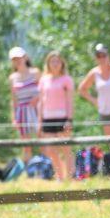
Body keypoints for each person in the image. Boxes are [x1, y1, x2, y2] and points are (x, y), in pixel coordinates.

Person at [78, 43, 110, 159]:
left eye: (104, 55)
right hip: (105, 112)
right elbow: (82, 89)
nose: (102, 58)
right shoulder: (94, 73)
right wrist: (95, 101)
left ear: (108, 55)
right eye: (99, 56)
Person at [37, 51, 74, 181]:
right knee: (51, 150)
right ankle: (59, 176)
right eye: (52, 61)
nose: (55, 64)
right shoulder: (43, 80)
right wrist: (39, 121)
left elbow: (70, 101)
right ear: (48, 63)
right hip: (47, 117)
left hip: (62, 117)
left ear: (62, 63)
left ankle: (70, 177)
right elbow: (41, 102)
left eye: (57, 61)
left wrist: (69, 119)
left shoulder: (67, 80)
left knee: (66, 148)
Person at [8, 46, 40, 161]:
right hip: (22, 111)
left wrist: (37, 98)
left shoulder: (35, 72)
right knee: (26, 143)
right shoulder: (12, 78)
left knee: (41, 138)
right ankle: (29, 167)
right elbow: (14, 99)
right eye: (14, 59)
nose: (17, 61)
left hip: (36, 110)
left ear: (25, 57)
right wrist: (14, 117)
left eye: (19, 58)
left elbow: (43, 90)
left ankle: (47, 165)